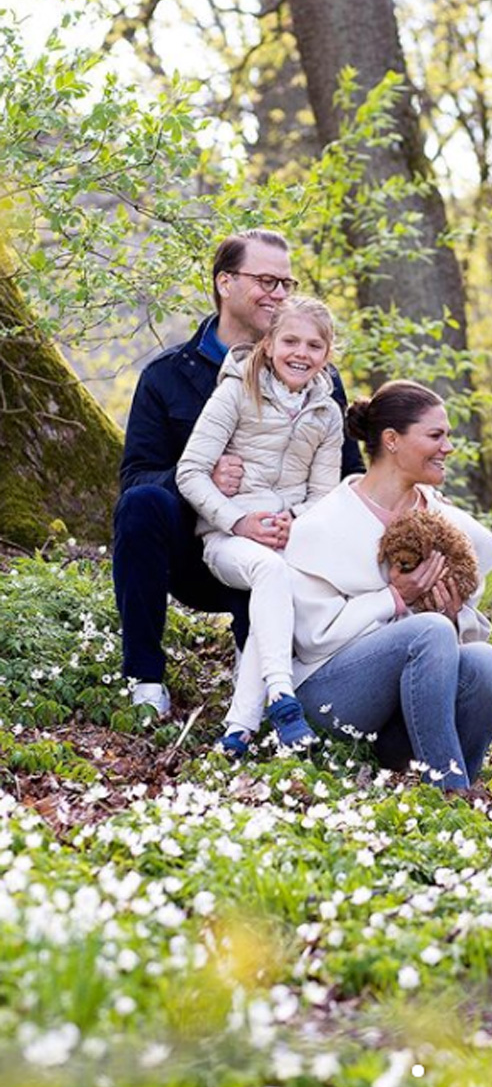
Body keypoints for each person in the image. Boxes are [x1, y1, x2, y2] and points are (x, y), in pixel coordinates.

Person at [113, 228, 363, 718]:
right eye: (266, 280)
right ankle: (144, 679)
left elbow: (345, 475)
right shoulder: (166, 376)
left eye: (287, 284)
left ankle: (267, 684)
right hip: (197, 547)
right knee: (142, 505)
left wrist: (302, 517)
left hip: (281, 544)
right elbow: (136, 477)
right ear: (225, 283)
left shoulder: (318, 382)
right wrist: (210, 481)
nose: (279, 294)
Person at [280, 380, 492, 790]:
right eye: (435, 436)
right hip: (334, 699)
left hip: (406, 715)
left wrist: (453, 616)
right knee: (430, 630)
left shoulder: (443, 519)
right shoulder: (325, 522)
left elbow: (454, 635)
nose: (448, 448)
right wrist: (394, 599)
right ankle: (451, 792)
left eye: (449, 437)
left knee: (488, 664)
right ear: (391, 440)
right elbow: (313, 639)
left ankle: (452, 789)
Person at [176, 296, 342, 754]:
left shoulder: (327, 414)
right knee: (271, 573)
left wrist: (296, 520)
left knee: (283, 584)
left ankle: (237, 731)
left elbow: (323, 495)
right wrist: (239, 521)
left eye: (314, 345)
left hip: (286, 541)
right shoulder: (234, 392)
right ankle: (283, 698)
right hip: (228, 541)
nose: (300, 353)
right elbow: (189, 472)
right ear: (268, 344)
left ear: (326, 355)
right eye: (290, 341)